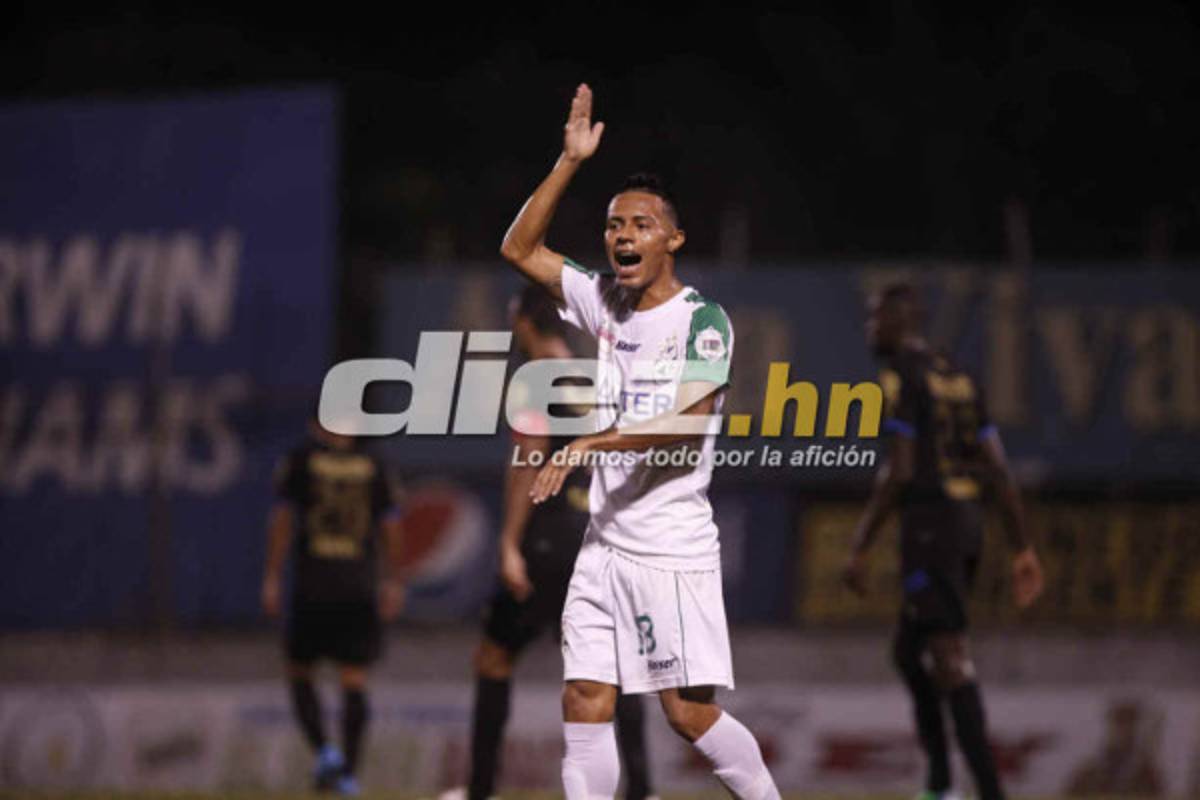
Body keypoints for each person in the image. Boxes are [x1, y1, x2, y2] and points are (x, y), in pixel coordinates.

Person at [498, 83, 780, 800]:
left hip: (671, 549)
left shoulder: (704, 321)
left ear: (673, 240)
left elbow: (685, 430)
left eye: (642, 224)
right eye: (616, 223)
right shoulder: (605, 300)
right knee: (583, 699)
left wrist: (588, 447)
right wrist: (568, 162)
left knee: (686, 713)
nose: (623, 234)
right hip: (604, 543)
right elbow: (518, 247)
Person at [439, 286, 656, 800]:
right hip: (600, 535)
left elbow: (530, 458)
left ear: (524, 323)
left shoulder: (537, 378)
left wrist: (510, 544)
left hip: (549, 539)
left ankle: (479, 790)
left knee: (494, 658)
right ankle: (644, 790)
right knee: (614, 667)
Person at [843, 282, 1045, 800]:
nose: (870, 329)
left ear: (901, 320)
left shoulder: (905, 379)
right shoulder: (957, 375)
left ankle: (981, 791)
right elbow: (997, 469)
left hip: (931, 527)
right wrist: (1021, 547)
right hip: (967, 525)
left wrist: (861, 541)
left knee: (949, 656)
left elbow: (901, 471)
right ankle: (939, 781)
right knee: (910, 650)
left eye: (876, 318)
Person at [261, 420, 405, 795]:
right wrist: (394, 580)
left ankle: (326, 753)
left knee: (299, 671)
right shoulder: (374, 462)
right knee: (353, 678)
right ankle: (349, 773)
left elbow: (283, 519)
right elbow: (391, 527)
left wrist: (273, 575)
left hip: (313, 584)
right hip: (357, 584)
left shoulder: (302, 459)